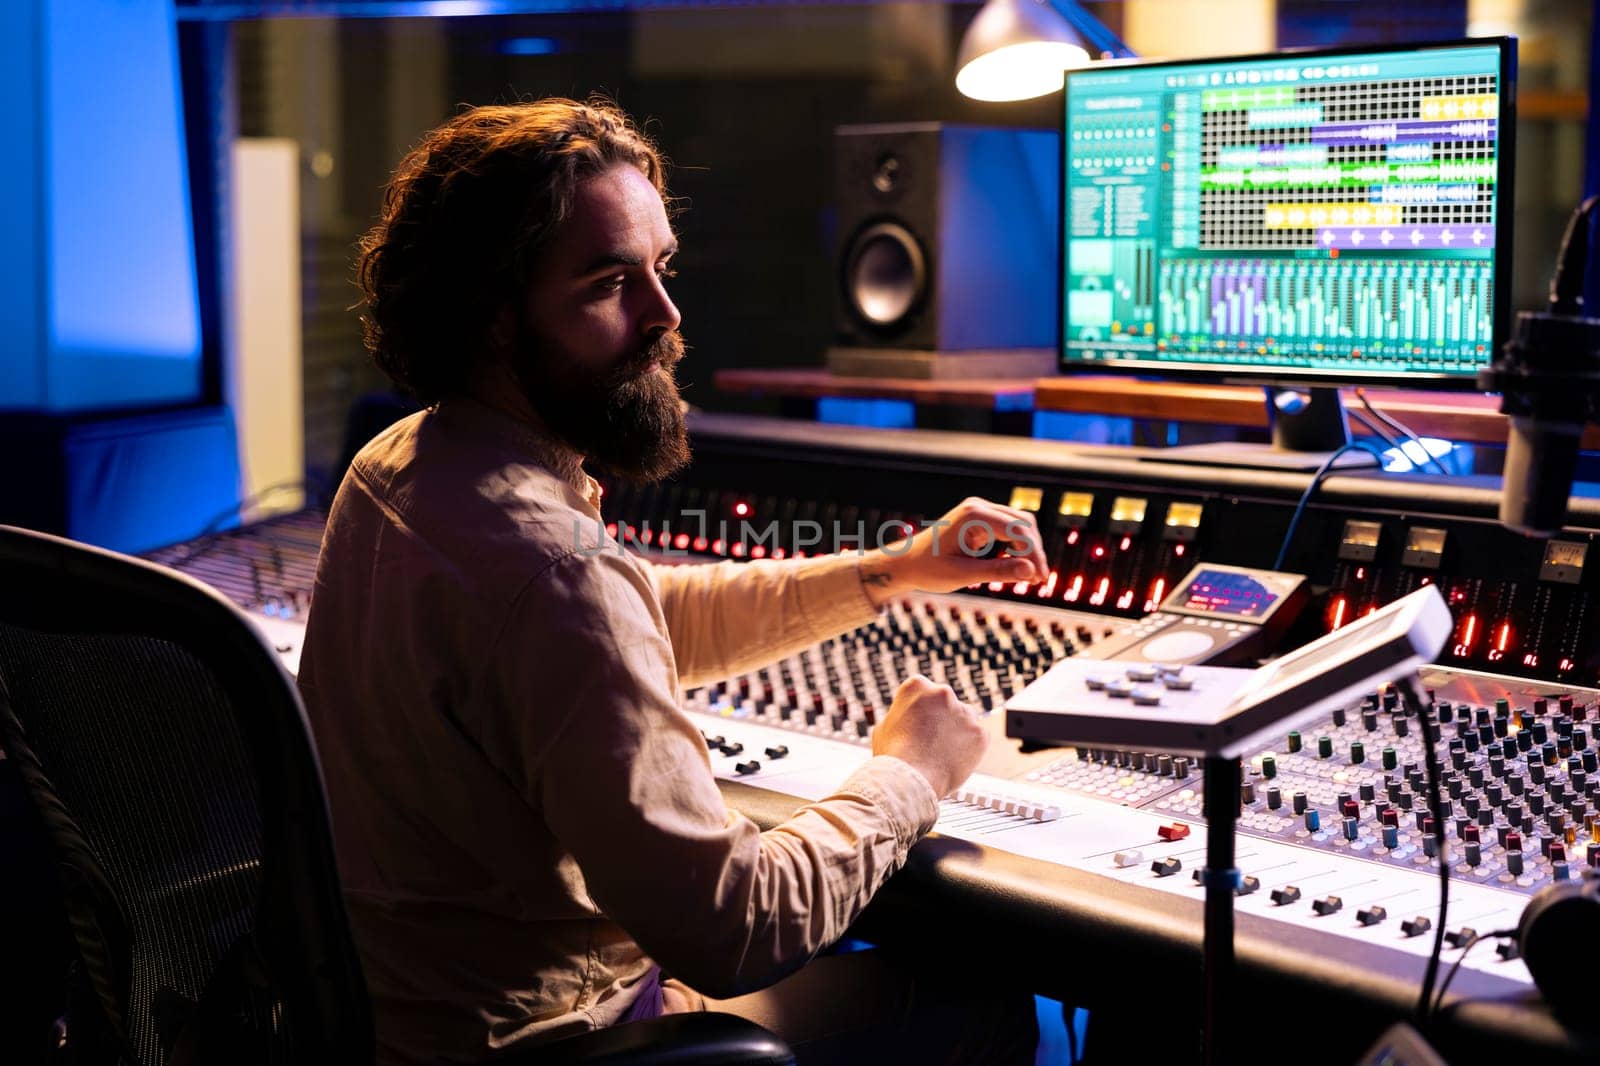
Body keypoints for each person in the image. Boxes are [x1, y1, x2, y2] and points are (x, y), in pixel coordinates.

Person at [299, 97, 1045, 1065]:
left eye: (663, 267)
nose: (665, 314)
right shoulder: (554, 570)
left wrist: (890, 570)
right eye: (610, 282)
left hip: (396, 1030)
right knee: (973, 997)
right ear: (493, 317)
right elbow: (733, 926)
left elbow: (634, 620)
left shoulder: (398, 465)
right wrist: (910, 772)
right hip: (558, 1046)